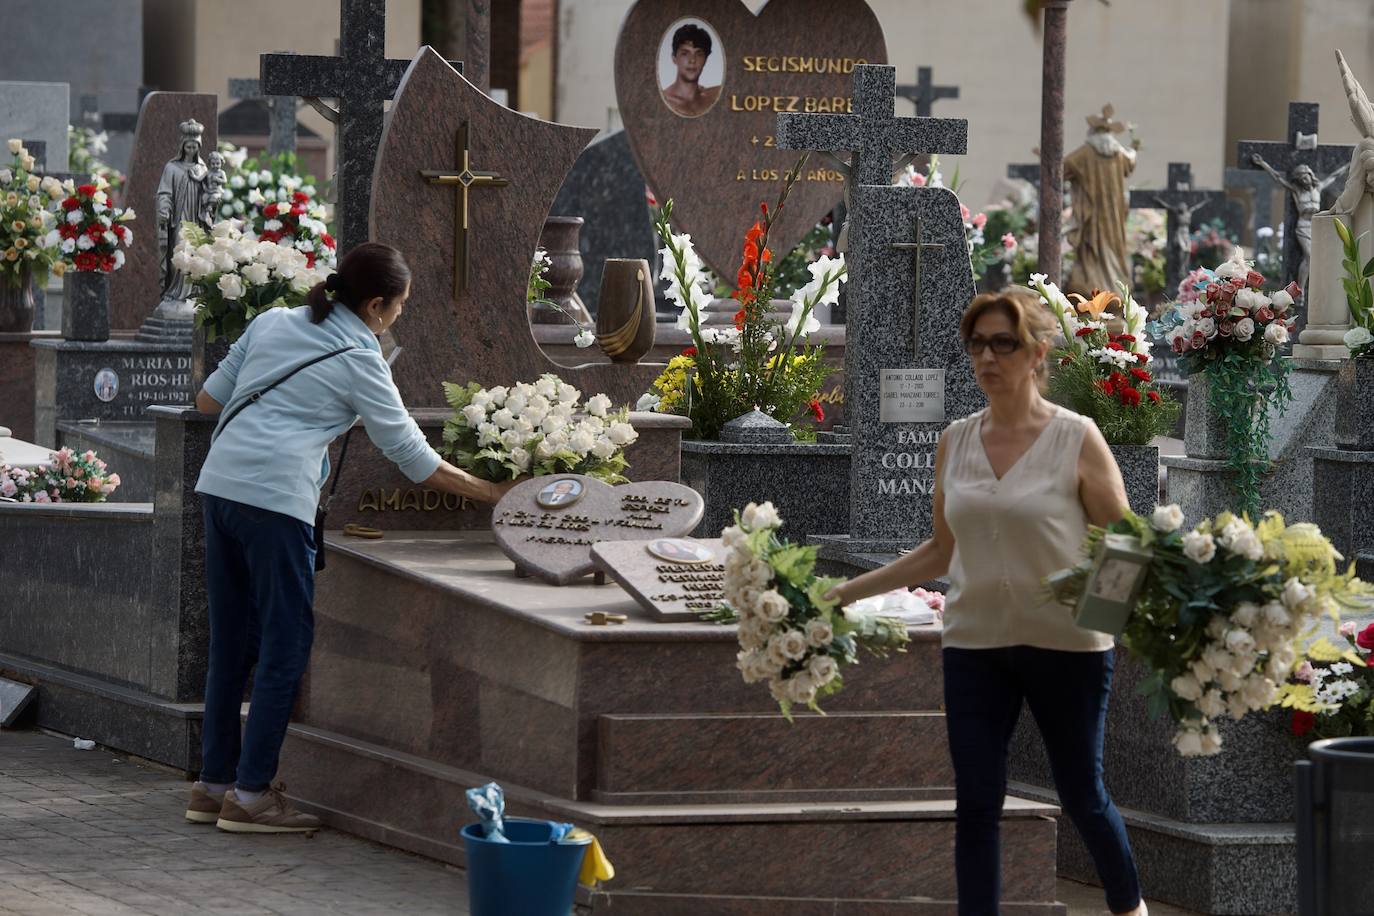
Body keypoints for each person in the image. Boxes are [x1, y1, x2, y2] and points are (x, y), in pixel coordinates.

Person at [826, 290, 1146, 916]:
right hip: (974, 646)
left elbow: (1128, 544)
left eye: (1003, 343)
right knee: (977, 801)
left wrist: (1102, 626)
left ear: (1038, 352)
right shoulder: (955, 441)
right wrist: (842, 591)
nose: (987, 357)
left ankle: (1128, 908)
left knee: (1082, 795)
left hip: (1067, 649)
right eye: (977, 344)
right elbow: (940, 553)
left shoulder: (1076, 437)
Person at [184, 243, 515, 833]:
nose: (399, 317)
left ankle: (212, 786)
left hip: (219, 488)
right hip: (275, 502)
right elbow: (415, 459)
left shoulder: (271, 320)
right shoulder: (361, 355)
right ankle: (252, 794)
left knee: (232, 643)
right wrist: (496, 493)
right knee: (285, 648)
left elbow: (208, 399)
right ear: (377, 304)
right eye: (400, 307)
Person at [1063, 105, 1138, 297]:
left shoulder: (1085, 153)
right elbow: (1131, 161)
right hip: (1113, 215)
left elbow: (1062, 168)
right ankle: (1114, 290)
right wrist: (1134, 146)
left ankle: (1095, 291)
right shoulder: (1118, 152)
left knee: (1092, 252)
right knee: (1113, 250)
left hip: (1093, 216)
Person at [660, 23, 722, 118]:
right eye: (685, 53)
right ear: (674, 58)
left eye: (699, 54)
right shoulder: (662, 101)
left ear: (705, 60)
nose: (692, 60)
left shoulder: (715, 95)